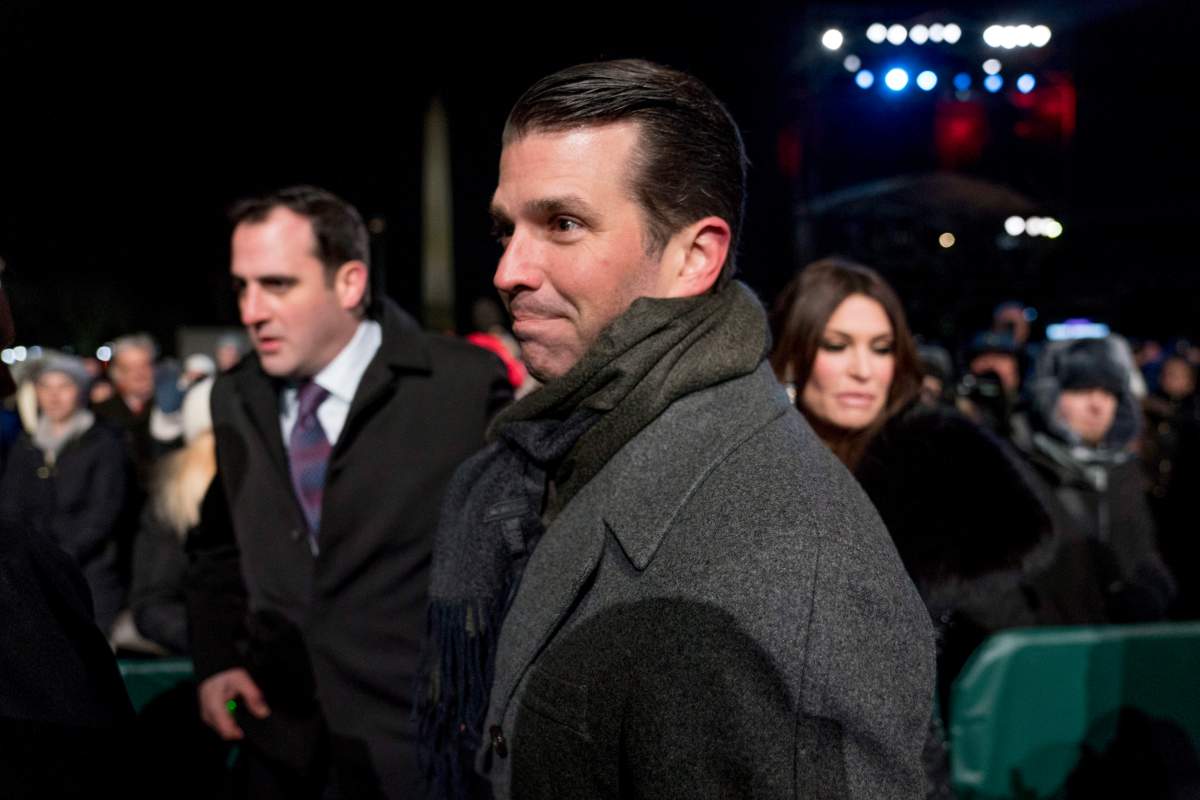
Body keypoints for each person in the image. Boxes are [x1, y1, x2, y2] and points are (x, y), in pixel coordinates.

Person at [419, 60, 934, 800]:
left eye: (562, 224)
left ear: (695, 256)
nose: (509, 269)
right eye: (508, 229)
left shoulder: (796, 562)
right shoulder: (547, 457)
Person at [185, 185, 510, 800]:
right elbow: (216, 550)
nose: (252, 310)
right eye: (242, 287)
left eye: (277, 285)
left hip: (420, 759)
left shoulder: (461, 388)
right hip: (279, 753)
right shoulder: (235, 396)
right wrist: (215, 660)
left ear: (350, 283)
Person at [769, 258, 1053, 798]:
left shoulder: (938, 466)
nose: (862, 369)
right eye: (836, 345)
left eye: (880, 348)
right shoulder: (752, 468)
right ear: (793, 353)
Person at [1020, 336, 1176, 623]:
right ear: (1049, 393)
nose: (1097, 404)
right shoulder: (1022, 472)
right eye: (1082, 389)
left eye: (1109, 392)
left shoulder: (1125, 473)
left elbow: (1143, 557)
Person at [0, 354, 129, 635]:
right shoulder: (27, 445)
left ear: (80, 392)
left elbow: (104, 511)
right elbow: (11, 505)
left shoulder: (103, 443)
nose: (53, 396)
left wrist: (59, 556)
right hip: (32, 573)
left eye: (64, 386)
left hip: (89, 574)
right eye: (46, 387)